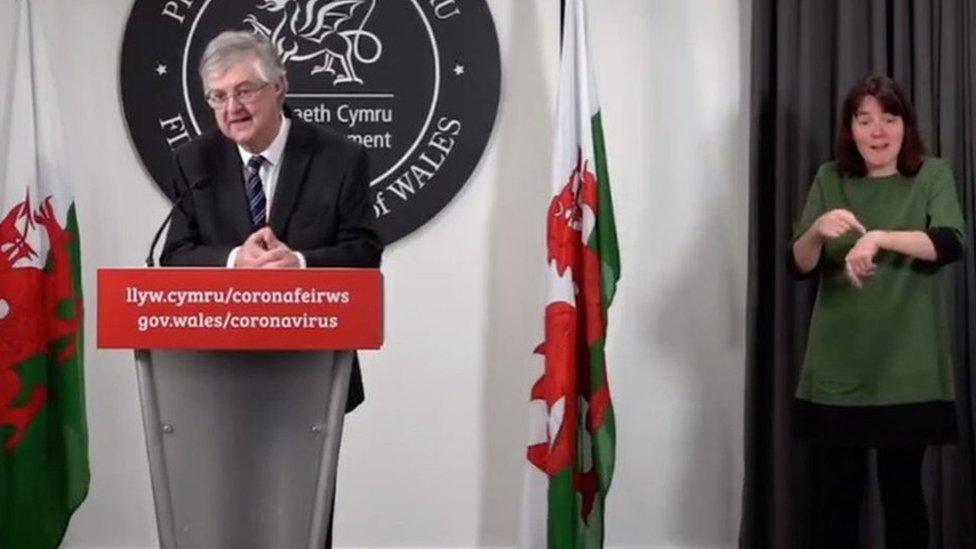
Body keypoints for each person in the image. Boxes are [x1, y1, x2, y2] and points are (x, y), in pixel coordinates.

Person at [160, 30, 382, 546]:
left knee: (300, 522)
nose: (230, 108)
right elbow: (175, 255)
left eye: (244, 91)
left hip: (310, 373)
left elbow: (364, 251)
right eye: (217, 96)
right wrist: (237, 260)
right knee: (221, 517)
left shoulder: (338, 159)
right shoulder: (194, 163)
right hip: (213, 375)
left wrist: (299, 263)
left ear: (279, 86)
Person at [791, 75, 965, 548]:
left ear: (905, 126)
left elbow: (949, 242)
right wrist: (818, 230)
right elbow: (800, 264)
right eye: (864, 120)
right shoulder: (830, 178)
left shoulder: (933, 175)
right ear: (850, 129)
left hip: (908, 369)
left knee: (904, 496)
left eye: (889, 118)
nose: (878, 131)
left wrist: (879, 237)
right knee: (836, 503)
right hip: (837, 370)